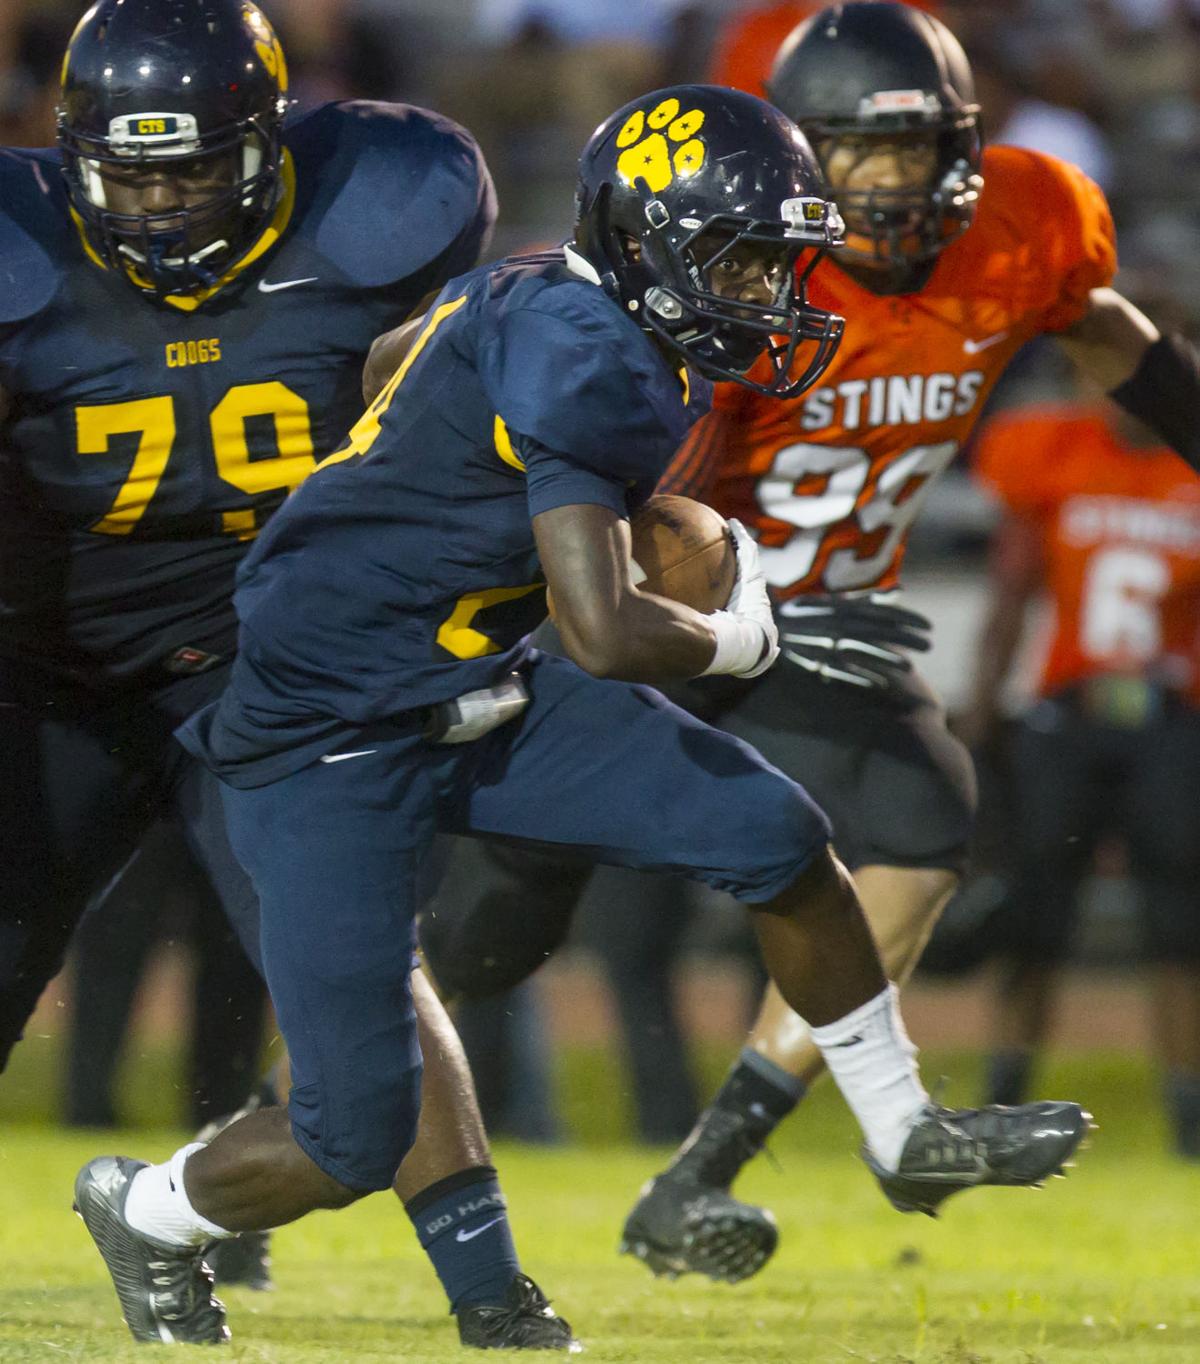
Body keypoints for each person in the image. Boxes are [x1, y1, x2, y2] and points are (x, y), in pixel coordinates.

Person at [75, 80, 1085, 1350]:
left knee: (779, 835)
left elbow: (398, 359)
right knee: (351, 1132)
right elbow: (606, 632)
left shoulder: (544, 288)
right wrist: (737, 631)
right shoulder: (589, 349)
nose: (773, 287)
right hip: (328, 734)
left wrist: (409, 482)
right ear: (647, 240)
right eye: (744, 256)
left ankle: (902, 1127)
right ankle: (150, 1210)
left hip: (469, 680)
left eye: (778, 256)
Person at [413, 1, 1200, 1284]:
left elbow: (1109, 329)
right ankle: (295, 1125)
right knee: (500, 919)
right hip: (662, 607)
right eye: (858, 156)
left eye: (915, 152)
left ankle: (712, 1168)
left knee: (920, 821)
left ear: (965, 141)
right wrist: (739, 602)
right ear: (797, 160)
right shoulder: (737, 255)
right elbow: (603, 486)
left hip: (832, 625)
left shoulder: (1029, 221)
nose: (891, 187)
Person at [0, 0, 575, 1348]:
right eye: (133, 171)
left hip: (272, 678)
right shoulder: (20, 261)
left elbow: (481, 407)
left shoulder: (387, 210)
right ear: (71, 156)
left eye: (194, 167)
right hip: (52, 673)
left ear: (268, 144)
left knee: (365, 977)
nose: (162, 202)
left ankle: (492, 1297)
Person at [960, 390, 1200, 1155]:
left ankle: (1188, 1117)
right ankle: (1004, 1101)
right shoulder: (1053, 449)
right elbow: (1013, 587)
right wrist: (984, 708)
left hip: (1173, 720)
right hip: (1067, 717)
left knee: (1180, 927)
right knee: (1034, 915)